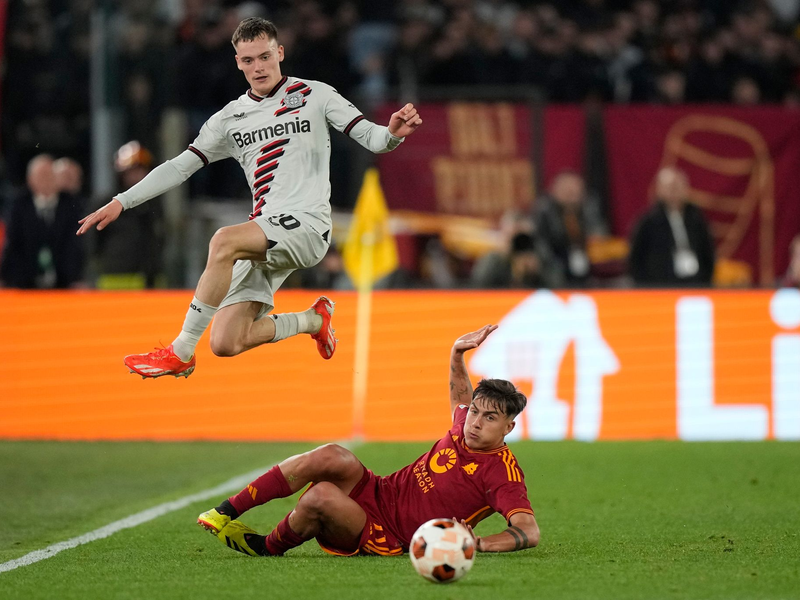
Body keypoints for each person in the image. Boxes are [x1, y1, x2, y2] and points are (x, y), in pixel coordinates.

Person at [76, 17, 423, 378]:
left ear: (280, 52)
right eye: (248, 60)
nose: (258, 67)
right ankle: (312, 319)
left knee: (223, 240)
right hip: (266, 231)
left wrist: (393, 134)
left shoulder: (315, 95)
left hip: (308, 226)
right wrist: (122, 201)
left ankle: (179, 351)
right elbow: (179, 167)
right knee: (226, 341)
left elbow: (372, 137)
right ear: (237, 62)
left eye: (264, 56)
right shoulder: (229, 119)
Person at [196, 324, 539, 557]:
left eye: (489, 418)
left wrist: (478, 543)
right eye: (476, 412)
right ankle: (225, 511)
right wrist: (456, 353)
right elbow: (461, 395)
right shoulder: (466, 423)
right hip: (378, 491)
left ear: (508, 428)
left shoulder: (501, 473)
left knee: (321, 496)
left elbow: (528, 530)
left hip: (389, 534)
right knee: (333, 456)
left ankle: (266, 547)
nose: (475, 422)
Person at [0, 154, 85, 289]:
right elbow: (12, 244)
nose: (46, 180)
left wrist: (77, 277)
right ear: (30, 180)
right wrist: (6, 278)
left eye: (49, 175)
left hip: (65, 283)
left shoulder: (72, 205)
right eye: (41, 175)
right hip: (24, 284)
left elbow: (76, 246)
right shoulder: (18, 206)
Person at [628, 167, 715, 287]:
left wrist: (705, 281)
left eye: (678, 186)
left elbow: (708, 253)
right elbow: (635, 258)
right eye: (670, 187)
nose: (674, 191)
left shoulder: (696, 219)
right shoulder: (649, 221)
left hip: (694, 284)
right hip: (660, 287)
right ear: (659, 189)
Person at [534, 171, 607, 287]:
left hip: (584, 254)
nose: (572, 196)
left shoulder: (588, 206)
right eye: (567, 192)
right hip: (556, 257)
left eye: (575, 192)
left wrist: (595, 237)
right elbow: (540, 240)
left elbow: (598, 228)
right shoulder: (545, 210)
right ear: (555, 191)